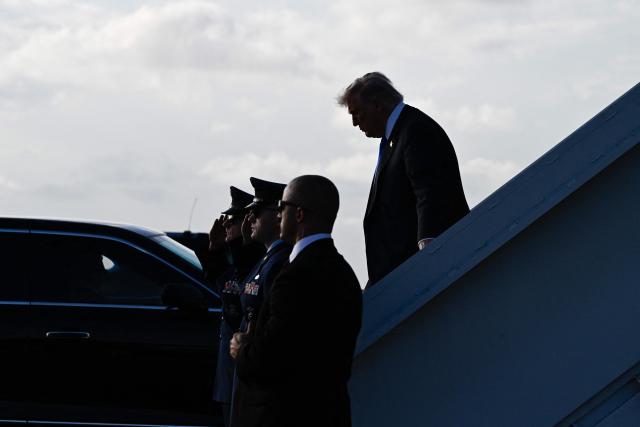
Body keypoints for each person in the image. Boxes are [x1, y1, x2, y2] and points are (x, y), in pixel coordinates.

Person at [230, 175, 363, 427]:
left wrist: (242, 349)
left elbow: (270, 358)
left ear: (299, 214)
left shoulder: (294, 277)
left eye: (282, 207)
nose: (279, 214)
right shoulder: (344, 273)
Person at [338, 72, 470, 287]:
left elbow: (429, 192)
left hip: (414, 268)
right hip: (395, 269)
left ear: (378, 105)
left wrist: (429, 245)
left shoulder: (415, 130)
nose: (355, 123)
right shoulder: (399, 135)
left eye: (358, 114)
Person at [209, 186, 266, 427]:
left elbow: (241, 294)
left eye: (234, 220)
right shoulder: (235, 260)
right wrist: (215, 248)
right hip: (230, 370)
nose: (227, 226)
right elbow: (219, 282)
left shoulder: (255, 262)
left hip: (243, 370)